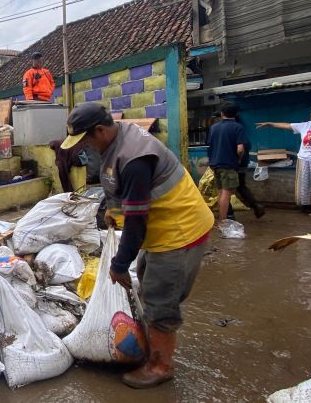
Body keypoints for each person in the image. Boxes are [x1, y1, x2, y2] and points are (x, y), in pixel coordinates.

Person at [61, 103, 213, 388]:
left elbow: (136, 223)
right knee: (146, 277)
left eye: (85, 140)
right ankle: (153, 340)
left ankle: (160, 365)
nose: (85, 147)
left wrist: (119, 264)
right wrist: (114, 210)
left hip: (179, 231)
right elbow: (124, 193)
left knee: (160, 298)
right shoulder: (121, 135)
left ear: (100, 130)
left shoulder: (133, 159)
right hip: (162, 226)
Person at [206, 103, 247, 224]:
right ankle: (223, 221)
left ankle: (222, 218)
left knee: (220, 191)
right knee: (226, 192)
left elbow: (210, 145)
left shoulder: (214, 127)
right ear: (235, 114)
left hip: (215, 164)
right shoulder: (238, 127)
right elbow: (240, 148)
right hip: (228, 164)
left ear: (222, 113)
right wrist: (239, 159)